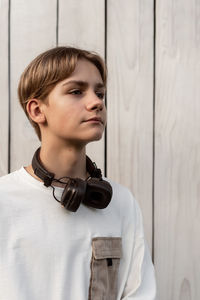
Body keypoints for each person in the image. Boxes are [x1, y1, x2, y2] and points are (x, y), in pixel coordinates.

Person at [0, 46, 157, 300]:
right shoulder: (4, 200)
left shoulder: (121, 202)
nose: (96, 102)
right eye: (76, 91)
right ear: (37, 110)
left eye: (100, 93)